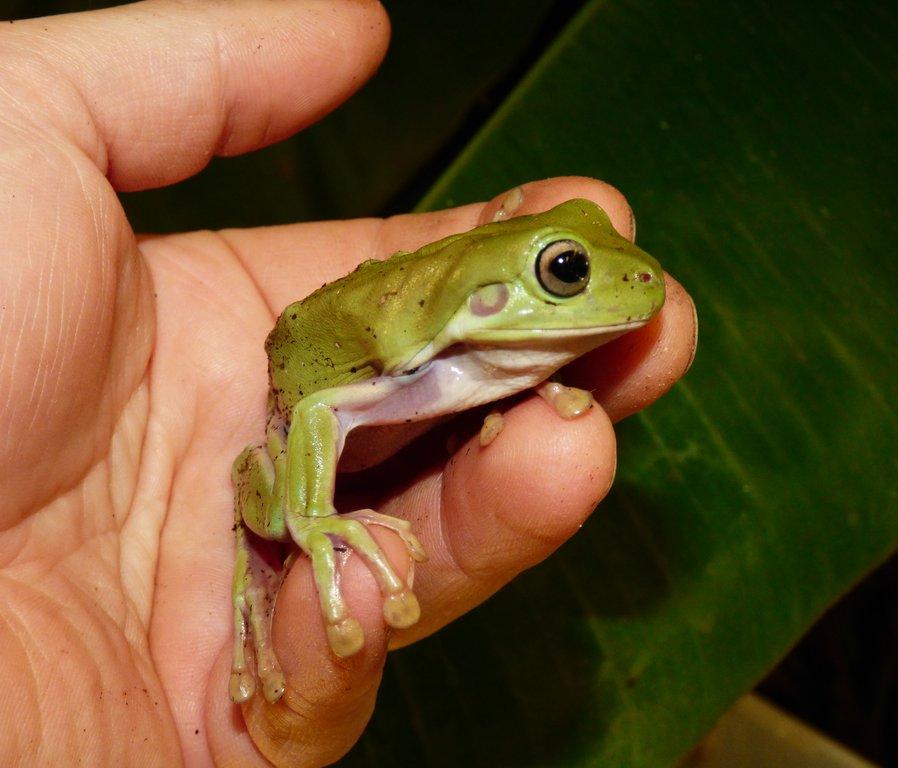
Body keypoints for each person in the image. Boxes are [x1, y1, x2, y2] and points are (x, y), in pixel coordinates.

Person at [0, 2, 697, 765]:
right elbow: (322, 409)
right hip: (322, 384)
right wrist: (312, 517)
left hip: (427, 357)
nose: (613, 276)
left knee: (531, 458)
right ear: (491, 298)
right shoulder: (407, 361)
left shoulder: (472, 345)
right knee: (272, 515)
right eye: (566, 271)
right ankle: (256, 552)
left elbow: (460, 370)